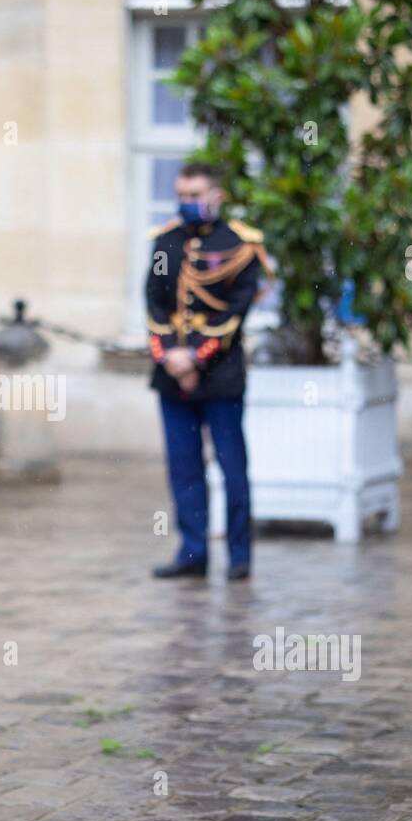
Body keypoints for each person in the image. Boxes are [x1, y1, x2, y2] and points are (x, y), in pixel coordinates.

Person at [146, 162, 268, 582]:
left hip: (221, 376)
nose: (187, 204)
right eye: (181, 196)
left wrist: (196, 359)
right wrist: (173, 360)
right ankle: (193, 553)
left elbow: (236, 312)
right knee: (184, 467)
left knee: (232, 465)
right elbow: (155, 305)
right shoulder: (165, 242)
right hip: (171, 375)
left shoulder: (240, 245)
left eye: (195, 195)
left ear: (217, 195)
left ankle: (239, 556)